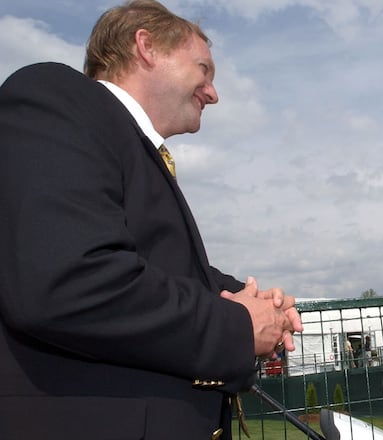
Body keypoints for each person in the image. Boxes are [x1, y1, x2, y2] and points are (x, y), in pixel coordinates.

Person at [0, 1, 303, 439]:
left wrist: (248, 300)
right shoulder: (56, 98)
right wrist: (236, 325)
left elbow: (148, 266)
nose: (213, 92)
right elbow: (69, 279)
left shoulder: (130, 149)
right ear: (147, 47)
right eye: (204, 69)